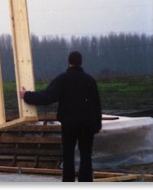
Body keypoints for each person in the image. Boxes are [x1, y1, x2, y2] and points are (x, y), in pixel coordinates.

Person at [19, 51, 102, 182]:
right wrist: (97, 125)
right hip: (87, 124)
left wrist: (26, 95)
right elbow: (97, 105)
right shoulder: (90, 81)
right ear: (81, 63)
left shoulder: (63, 79)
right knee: (86, 156)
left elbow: (47, 97)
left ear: (68, 62)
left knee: (68, 156)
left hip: (69, 124)